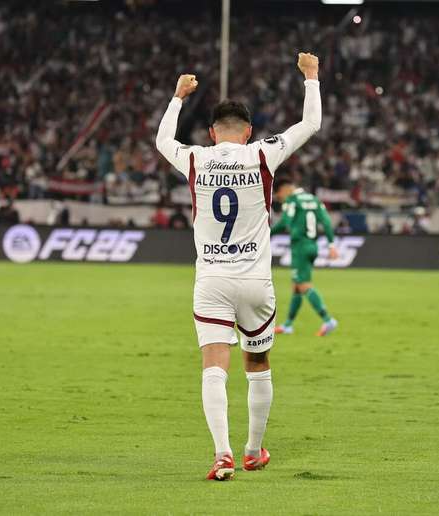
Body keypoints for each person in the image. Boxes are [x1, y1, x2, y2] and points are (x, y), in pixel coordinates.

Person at [155, 52, 322, 481]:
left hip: (211, 278)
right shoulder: (262, 155)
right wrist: (311, 77)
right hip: (255, 281)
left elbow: (162, 142)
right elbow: (310, 125)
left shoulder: (196, 158)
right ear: (248, 132)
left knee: (214, 364)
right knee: (258, 364)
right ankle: (252, 450)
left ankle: (222, 454)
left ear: (212, 134)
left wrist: (177, 98)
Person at [271, 178, 339, 336]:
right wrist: (331, 245)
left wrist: (266, 234)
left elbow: (284, 223)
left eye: (279, 195)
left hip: (300, 246)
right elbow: (327, 222)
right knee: (296, 286)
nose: (281, 199)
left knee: (303, 285)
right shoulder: (314, 200)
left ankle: (328, 320)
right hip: (313, 245)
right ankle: (288, 325)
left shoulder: (292, 201)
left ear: (285, 189)